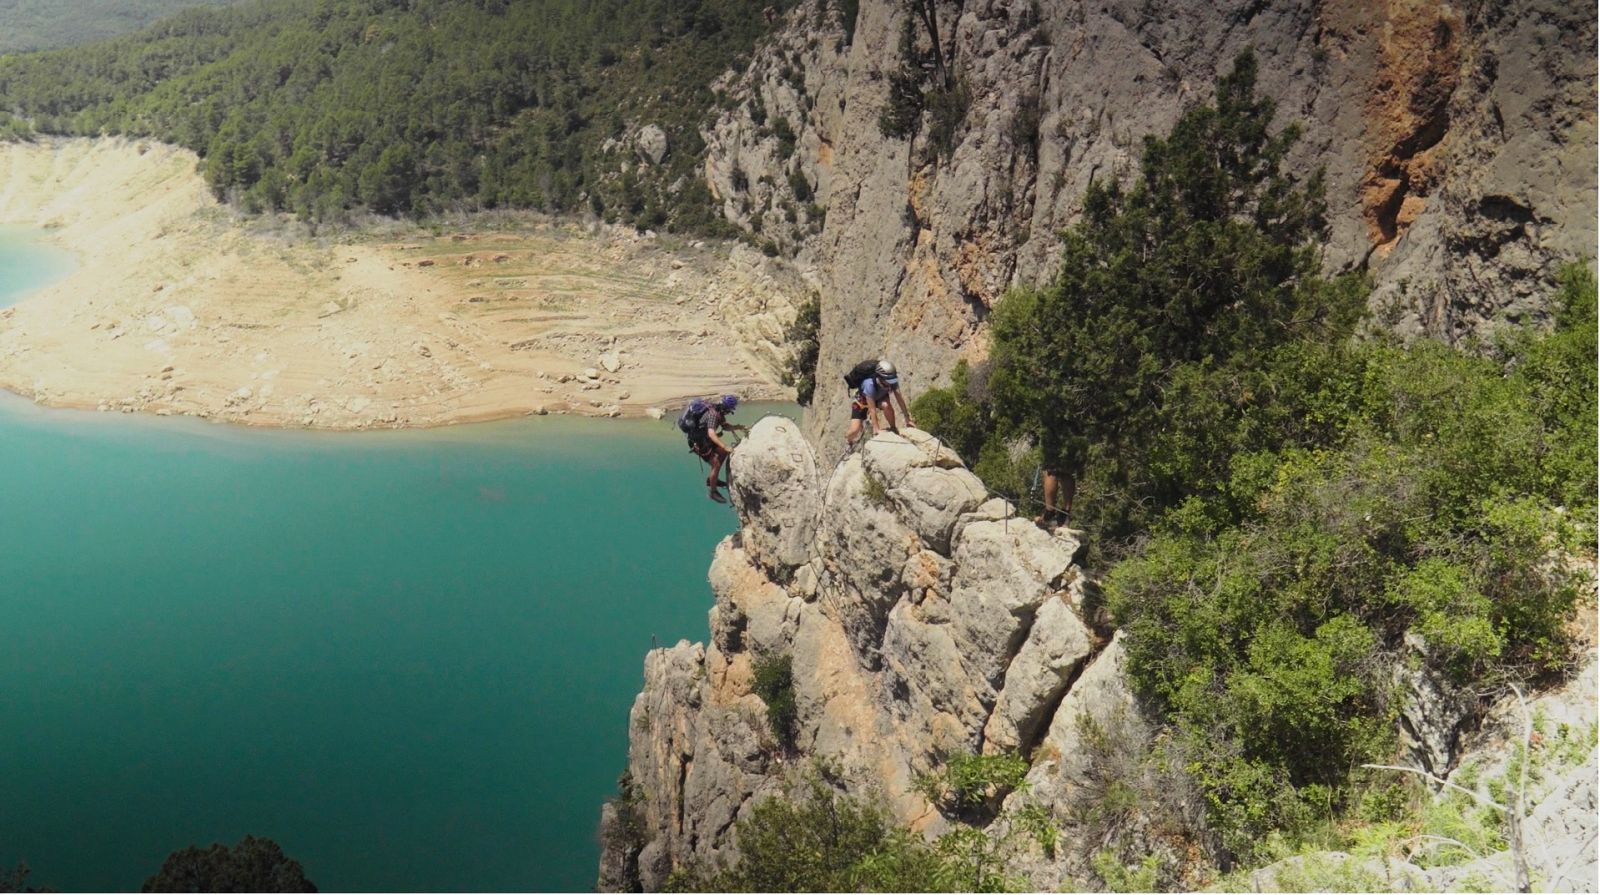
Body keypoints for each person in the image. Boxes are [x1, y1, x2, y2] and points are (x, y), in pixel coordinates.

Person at [679, 394, 745, 501]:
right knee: (716, 463)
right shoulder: (713, 414)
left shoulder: (717, 411)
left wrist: (737, 427)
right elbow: (711, 433)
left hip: (705, 439)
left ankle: (712, 479)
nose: (730, 412)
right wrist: (724, 445)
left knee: (723, 452)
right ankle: (712, 492)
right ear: (727, 408)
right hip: (699, 442)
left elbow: (724, 426)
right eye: (730, 410)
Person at [844, 359, 915, 447]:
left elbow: (899, 398)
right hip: (862, 401)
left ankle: (893, 428)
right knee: (855, 429)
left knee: (886, 405)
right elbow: (872, 409)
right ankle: (848, 440)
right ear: (880, 377)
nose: (891, 383)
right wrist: (876, 429)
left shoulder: (891, 380)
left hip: (879, 397)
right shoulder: (869, 384)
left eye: (892, 380)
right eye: (888, 380)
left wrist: (907, 418)